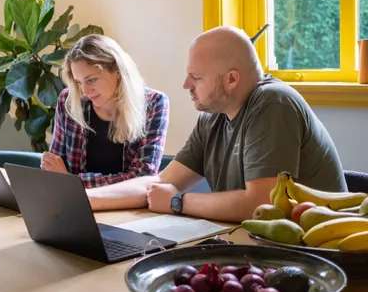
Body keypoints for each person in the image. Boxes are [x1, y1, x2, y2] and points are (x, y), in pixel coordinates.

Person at [86, 26, 347, 222]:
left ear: (231, 79)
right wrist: (87, 200)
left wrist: (178, 202)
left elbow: (263, 204)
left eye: (196, 78)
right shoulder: (212, 116)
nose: (186, 85)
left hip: (318, 253)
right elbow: (162, 182)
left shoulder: (273, 103)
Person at [40, 34, 170, 188]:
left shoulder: (154, 103)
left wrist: (73, 180)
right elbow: (54, 167)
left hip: (128, 208)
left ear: (117, 70)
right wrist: (61, 176)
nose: (85, 91)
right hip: (75, 203)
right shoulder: (68, 100)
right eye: (78, 82)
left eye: (91, 80)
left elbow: (142, 177)